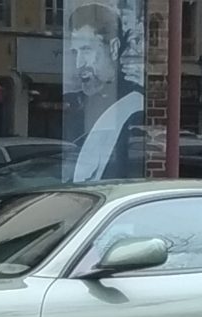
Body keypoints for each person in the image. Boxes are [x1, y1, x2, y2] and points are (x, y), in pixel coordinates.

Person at [63, 1, 144, 182]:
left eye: (86, 50)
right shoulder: (76, 105)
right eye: (75, 52)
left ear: (114, 48)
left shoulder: (135, 108)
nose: (79, 64)